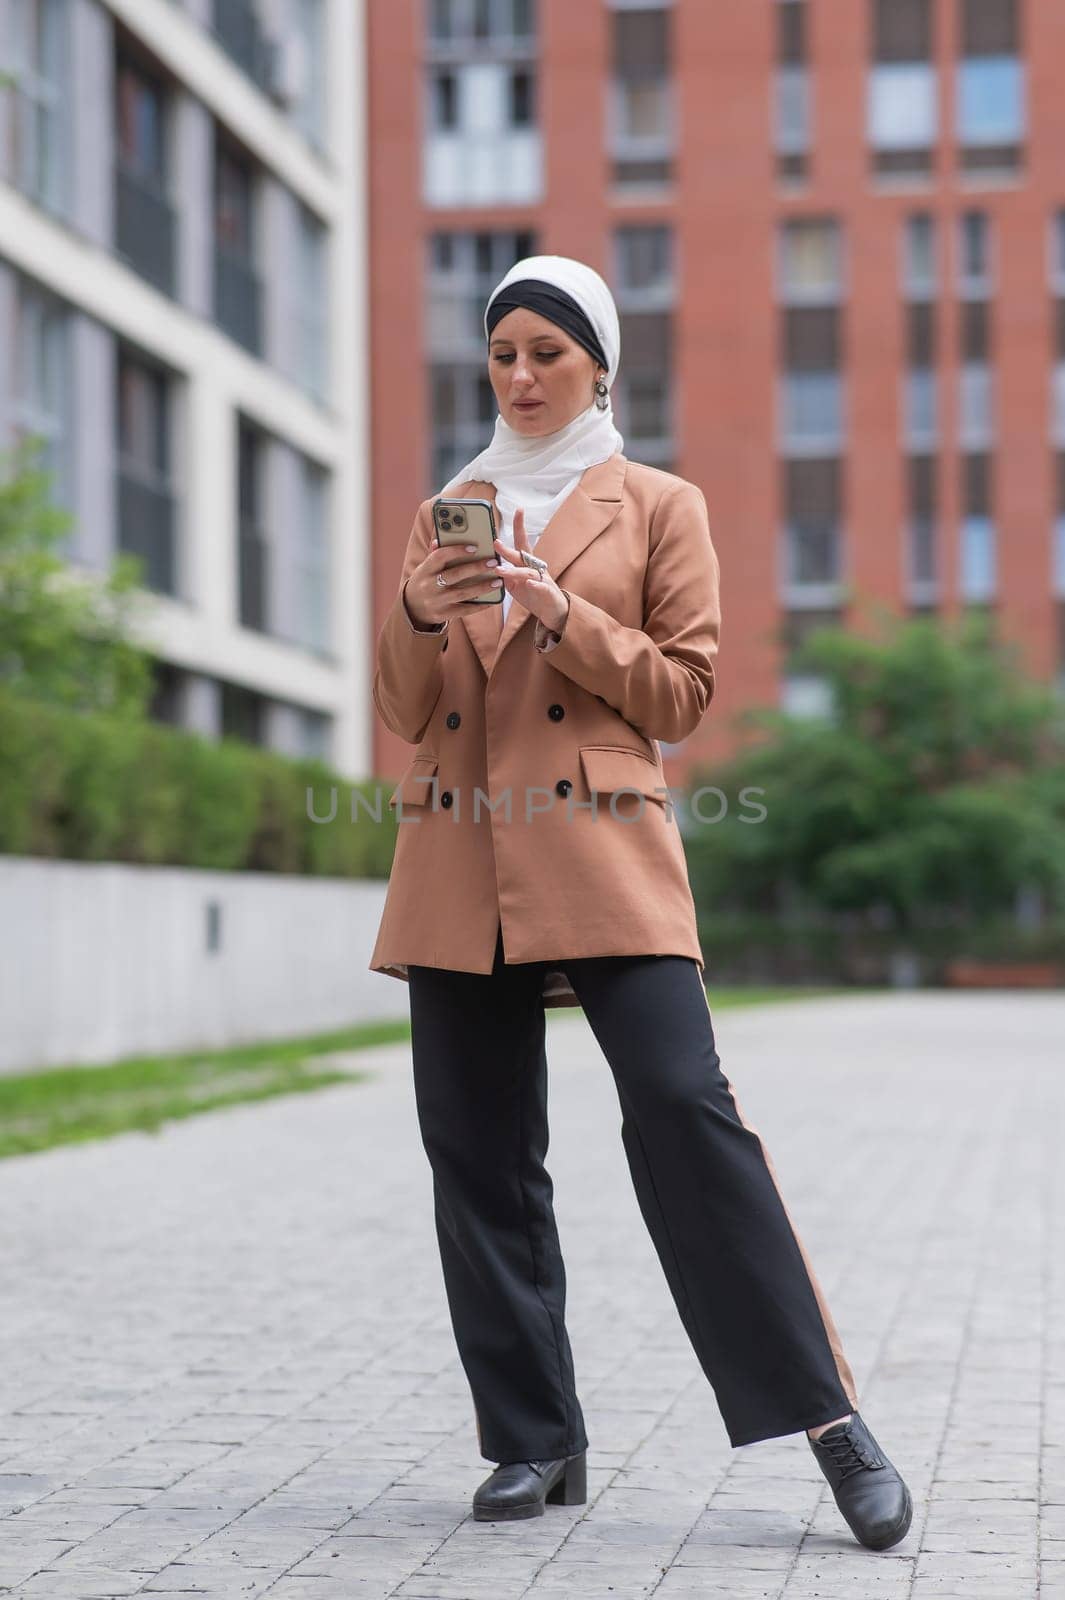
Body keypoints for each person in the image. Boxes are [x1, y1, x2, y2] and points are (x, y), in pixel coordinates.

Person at [368, 254, 912, 1550]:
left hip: (603, 851)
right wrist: (415, 612)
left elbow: (680, 696)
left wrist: (561, 620)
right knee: (477, 1156)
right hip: (460, 863)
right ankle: (530, 1439)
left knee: (683, 1112)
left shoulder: (659, 503)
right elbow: (401, 712)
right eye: (500, 354)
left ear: (600, 364)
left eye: (545, 354)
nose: (519, 376)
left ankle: (830, 1422)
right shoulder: (448, 505)